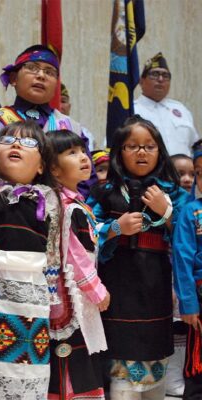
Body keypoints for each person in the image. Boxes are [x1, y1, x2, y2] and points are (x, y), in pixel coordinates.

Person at [87, 115, 189, 399]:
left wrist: (166, 212)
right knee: (122, 364)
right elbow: (84, 230)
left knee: (155, 354)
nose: (142, 152)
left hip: (157, 285)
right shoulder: (104, 192)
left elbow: (190, 235)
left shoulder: (173, 193)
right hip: (118, 287)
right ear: (119, 151)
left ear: (160, 152)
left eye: (149, 146)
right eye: (132, 146)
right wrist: (115, 228)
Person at [0, 120, 60, 399]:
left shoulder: (49, 203)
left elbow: (53, 255)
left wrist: (53, 298)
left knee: (31, 374)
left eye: (29, 142)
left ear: (42, 166)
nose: (17, 145)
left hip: (35, 303)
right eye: (8, 141)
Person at [0, 44, 97, 197]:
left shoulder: (72, 127)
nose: (41, 76)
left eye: (50, 72)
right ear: (13, 78)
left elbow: (86, 178)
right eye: (32, 68)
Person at [47, 130, 109, 400]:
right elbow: (72, 253)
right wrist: (96, 290)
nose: (84, 157)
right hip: (70, 296)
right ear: (54, 169)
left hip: (80, 296)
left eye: (82, 150)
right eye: (71, 153)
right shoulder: (61, 204)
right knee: (69, 358)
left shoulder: (76, 200)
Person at [172, 139, 202, 400]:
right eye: (200, 172)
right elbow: (183, 259)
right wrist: (189, 304)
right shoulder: (191, 212)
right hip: (201, 298)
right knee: (198, 362)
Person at [163, 153, 195, 397]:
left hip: (188, 278)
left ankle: (181, 376)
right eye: (180, 174)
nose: (186, 179)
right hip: (170, 274)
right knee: (175, 329)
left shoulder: (193, 204)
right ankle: (172, 378)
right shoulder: (164, 199)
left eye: (192, 174)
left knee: (187, 332)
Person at [134, 52, 199, 157]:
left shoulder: (181, 110)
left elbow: (195, 146)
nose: (160, 79)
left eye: (165, 75)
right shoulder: (132, 110)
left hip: (180, 172)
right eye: (155, 74)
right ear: (141, 81)